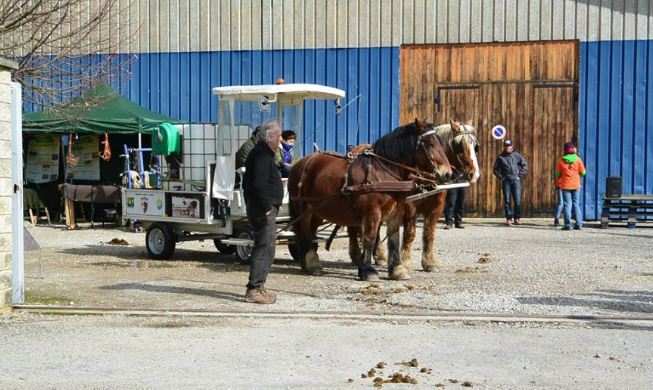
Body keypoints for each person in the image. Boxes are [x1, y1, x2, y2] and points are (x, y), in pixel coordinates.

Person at [242, 121, 283, 304]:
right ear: (271, 137)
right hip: (262, 209)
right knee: (264, 247)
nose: (281, 141)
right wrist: (267, 207)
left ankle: (260, 286)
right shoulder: (260, 154)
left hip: (263, 208)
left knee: (268, 246)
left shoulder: (264, 154)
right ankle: (253, 289)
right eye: (279, 137)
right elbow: (258, 184)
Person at [493, 139, 528, 226]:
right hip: (506, 182)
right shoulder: (500, 157)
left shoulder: (516, 155)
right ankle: (509, 218)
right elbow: (495, 169)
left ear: (512, 146)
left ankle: (517, 218)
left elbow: (525, 165)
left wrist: (519, 175)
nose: (507, 148)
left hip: (516, 181)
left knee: (517, 201)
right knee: (507, 201)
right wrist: (501, 177)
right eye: (506, 146)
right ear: (504, 147)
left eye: (509, 146)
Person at [555, 141, 586, 230]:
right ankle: (579, 224)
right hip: (576, 185)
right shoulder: (578, 159)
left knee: (567, 205)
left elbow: (557, 174)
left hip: (565, 185)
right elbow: (583, 173)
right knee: (576, 204)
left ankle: (568, 225)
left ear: (565, 150)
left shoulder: (561, 160)